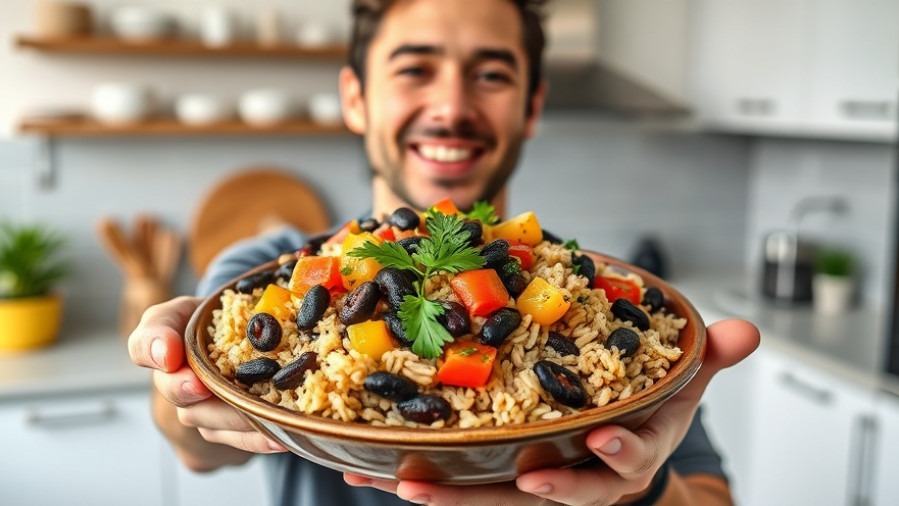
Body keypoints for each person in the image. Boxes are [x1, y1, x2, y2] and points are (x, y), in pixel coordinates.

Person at [128, 0, 760, 504]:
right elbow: (199, 448)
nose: (452, 106)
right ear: (355, 97)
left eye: (490, 74)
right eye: (414, 69)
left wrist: (631, 495)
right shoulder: (267, 269)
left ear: (531, 105)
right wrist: (179, 382)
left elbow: (709, 497)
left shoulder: (607, 298)